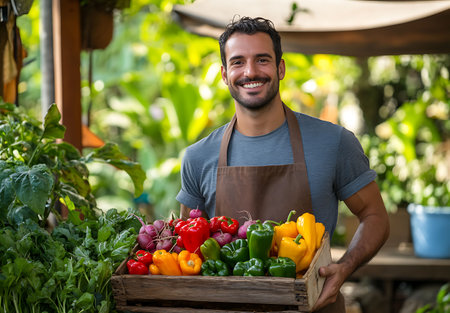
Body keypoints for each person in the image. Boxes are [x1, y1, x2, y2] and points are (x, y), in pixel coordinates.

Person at [176, 16, 389, 312]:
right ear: (225, 74)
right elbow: (186, 243)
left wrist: (345, 268)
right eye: (238, 62)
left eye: (262, 60)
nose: (250, 71)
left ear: (281, 68)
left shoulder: (333, 142)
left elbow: (375, 215)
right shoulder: (199, 157)